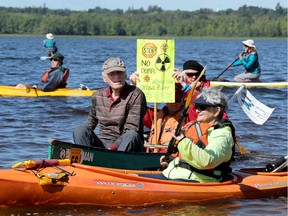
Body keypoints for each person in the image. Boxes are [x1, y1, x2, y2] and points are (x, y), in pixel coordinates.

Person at [73, 57, 147, 152]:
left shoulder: (136, 95)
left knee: (132, 135)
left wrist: (112, 149)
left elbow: (132, 128)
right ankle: (85, 159)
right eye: (112, 73)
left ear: (125, 75)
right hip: (104, 144)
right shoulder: (98, 96)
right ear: (104, 78)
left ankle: (116, 161)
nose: (116, 77)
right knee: (80, 129)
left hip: (127, 145)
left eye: (119, 72)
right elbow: (90, 125)